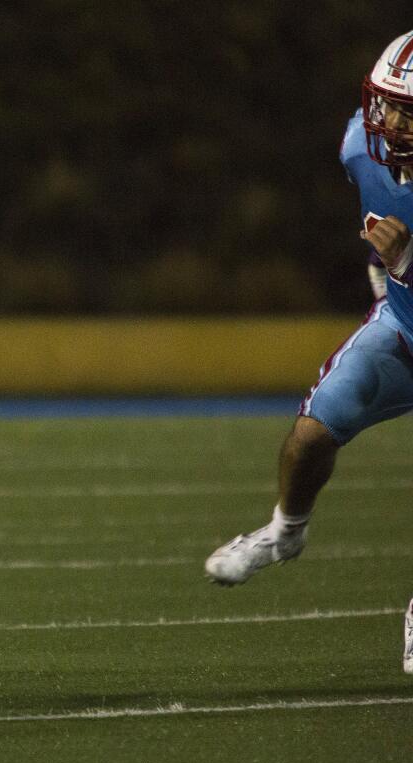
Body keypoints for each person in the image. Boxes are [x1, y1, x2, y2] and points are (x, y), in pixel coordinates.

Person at [204, 31, 413, 673]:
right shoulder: (361, 146)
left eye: (412, 111)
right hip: (405, 327)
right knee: (309, 436)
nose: (394, 122)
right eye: (390, 105)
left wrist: (404, 258)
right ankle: (285, 533)